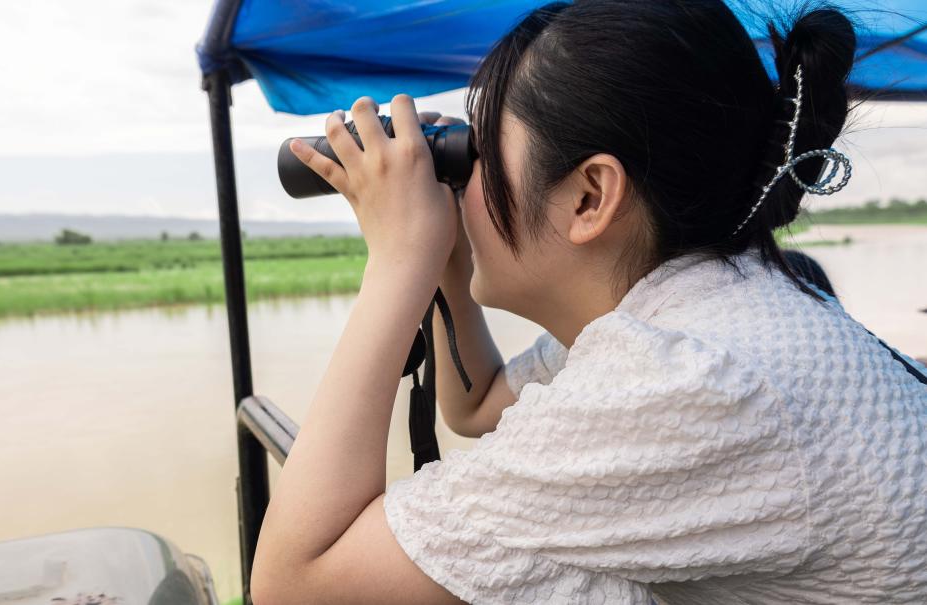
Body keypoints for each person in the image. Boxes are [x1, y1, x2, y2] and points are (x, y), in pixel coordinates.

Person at [250, 1, 927, 603]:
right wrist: (445, 268)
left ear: (589, 197)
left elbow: (297, 583)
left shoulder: (687, 379)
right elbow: (479, 403)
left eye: (482, 153)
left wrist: (397, 261)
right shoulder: (698, 304)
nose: (463, 180)